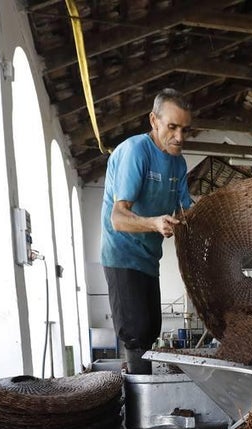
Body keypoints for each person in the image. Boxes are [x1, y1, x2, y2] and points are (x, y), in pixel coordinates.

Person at [101, 88, 194, 375]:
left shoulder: (178, 163)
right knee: (136, 331)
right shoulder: (135, 152)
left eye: (185, 129)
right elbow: (118, 218)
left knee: (152, 327)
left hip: (149, 257)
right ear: (154, 120)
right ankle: (137, 395)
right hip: (122, 254)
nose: (179, 137)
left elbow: (187, 211)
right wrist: (154, 223)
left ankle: (142, 382)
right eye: (172, 127)